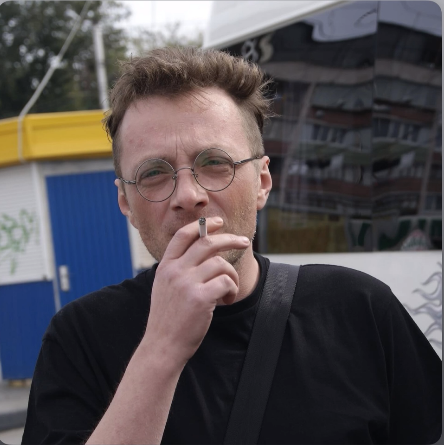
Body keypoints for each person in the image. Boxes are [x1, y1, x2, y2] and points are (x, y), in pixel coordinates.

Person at [22, 47, 441, 445]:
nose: (188, 195)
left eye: (214, 163)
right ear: (125, 202)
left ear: (262, 182)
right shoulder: (78, 339)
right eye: (153, 173)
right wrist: (161, 350)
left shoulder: (359, 308)